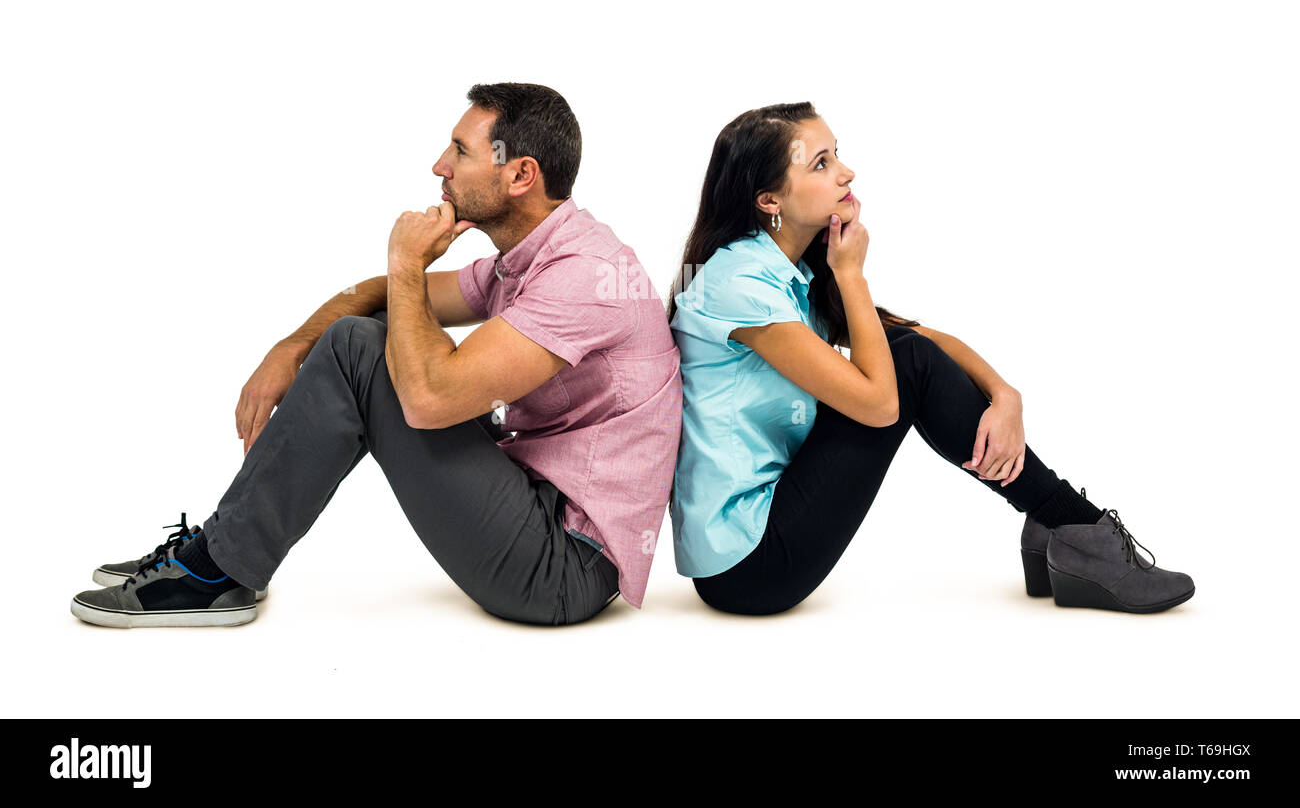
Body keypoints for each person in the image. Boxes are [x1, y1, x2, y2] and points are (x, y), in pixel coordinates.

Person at [72, 82, 682, 627]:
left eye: (461, 152)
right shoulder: (528, 257)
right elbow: (376, 296)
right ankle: (220, 555)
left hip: (564, 567)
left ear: (521, 175)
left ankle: (213, 571)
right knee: (373, 330)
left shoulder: (584, 275)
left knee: (365, 348)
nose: (439, 166)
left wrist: (406, 260)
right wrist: (289, 348)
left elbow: (426, 398)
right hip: (535, 513)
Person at [667, 102, 1194, 616]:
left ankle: (1057, 525)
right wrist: (851, 274)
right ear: (768, 200)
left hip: (770, 522)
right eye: (821, 163)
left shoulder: (788, 271)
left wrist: (1005, 394)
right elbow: (880, 404)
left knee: (905, 352)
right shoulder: (739, 285)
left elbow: (918, 338)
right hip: (748, 566)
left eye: (837, 154)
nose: (846, 173)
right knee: (905, 367)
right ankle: (1068, 525)